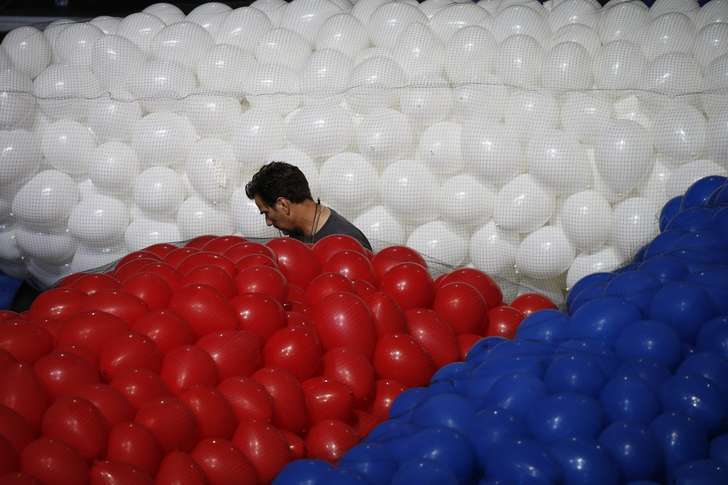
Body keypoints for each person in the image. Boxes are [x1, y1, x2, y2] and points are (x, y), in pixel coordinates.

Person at [245, 161, 373, 251]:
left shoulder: (348, 244)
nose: (268, 222)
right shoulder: (298, 232)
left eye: (267, 213)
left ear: (283, 205)